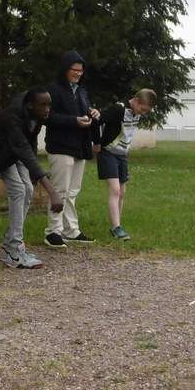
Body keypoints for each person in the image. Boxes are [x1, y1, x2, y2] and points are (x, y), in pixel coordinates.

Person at [0, 88, 65, 269]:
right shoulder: (13, 119)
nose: (47, 109)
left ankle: (10, 244)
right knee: (19, 190)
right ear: (30, 106)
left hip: (17, 149)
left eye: (49, 105)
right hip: (1, 151)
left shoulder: (35, 114)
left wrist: (34, 174)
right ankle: (14, 250)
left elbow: (31, 145)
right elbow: (23, 149)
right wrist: (52, 192)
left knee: (28, 188)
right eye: (43, 105)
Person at [43, 50, 100, 248]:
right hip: (61, 147)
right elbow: (48, 117)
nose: (78, 74)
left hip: (79, 147)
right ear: (65, 69)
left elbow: (84, 112)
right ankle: (53, 232)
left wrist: (92, 113)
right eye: (74, 70)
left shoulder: (82, 91)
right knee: (59, 191)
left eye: (81, 71)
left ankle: (71, 230)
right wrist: (74, 121)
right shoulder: (53, 90)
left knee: (73, 191)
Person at [92, 88, 157, 240]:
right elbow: (96, 120)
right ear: (135, 100)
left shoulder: (136, 113)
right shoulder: (118, 109)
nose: (143, 113)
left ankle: (118, 223)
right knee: (115, 189)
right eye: (142, 109)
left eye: (146, 111)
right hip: (108, 152)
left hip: (122, 155)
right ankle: (116, 228)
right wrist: (97, 142)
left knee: (122, 192)